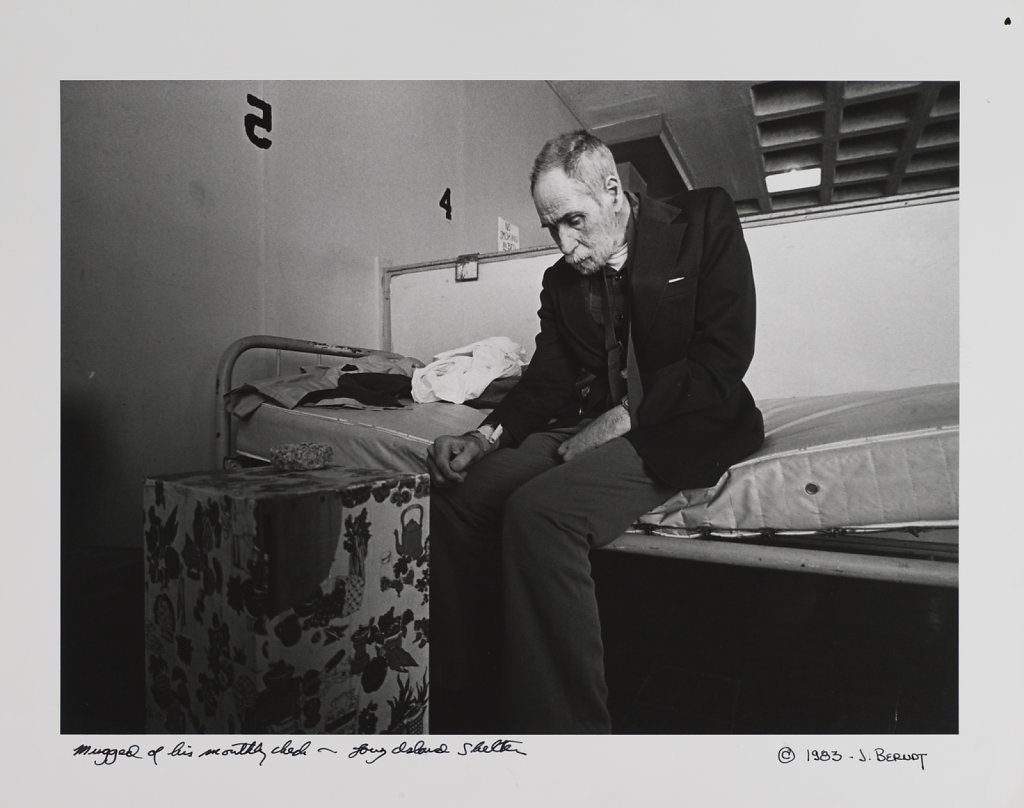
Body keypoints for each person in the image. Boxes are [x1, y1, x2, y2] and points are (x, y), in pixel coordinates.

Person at [426, 130, 764, 734]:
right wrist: (484, 437)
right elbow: (547, 380)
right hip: (599, 419)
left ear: (613, 191)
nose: (563, 243)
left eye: (573, 221)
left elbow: (723, 356)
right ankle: (461, 686)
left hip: (687, 419)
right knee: (460, 493)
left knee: (541, 512)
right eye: (551, 227)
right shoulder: (561, 281)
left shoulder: (704, 217)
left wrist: (621, 418)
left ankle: (565, 733)